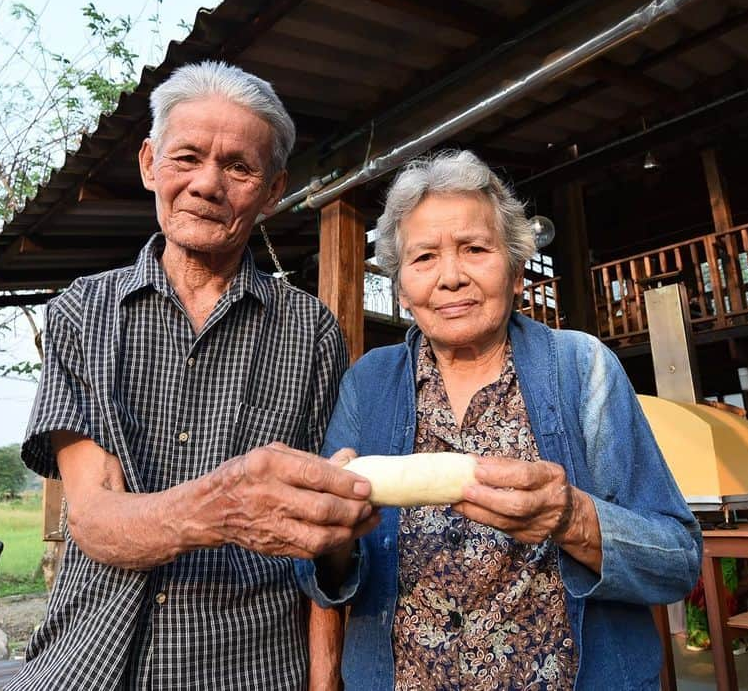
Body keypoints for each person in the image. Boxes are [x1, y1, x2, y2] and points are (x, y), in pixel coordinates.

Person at [7, 61, 378, 691]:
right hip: (89, 661)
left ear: (272, 189)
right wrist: (227, 507)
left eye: (239, 166)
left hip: (253, 667)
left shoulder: (311, 331)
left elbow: (322, 521)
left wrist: (325, 681)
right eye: (187, 157)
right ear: (150, 163)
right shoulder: (80, 314)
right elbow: (95, 521)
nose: (208, 184)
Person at [296, 150, 702, 690]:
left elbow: (677, 561)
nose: (451, 277)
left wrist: (572, 519)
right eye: (423, 259)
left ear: (514, 271)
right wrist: (334, 534)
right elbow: (329, 578)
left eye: (475, 249)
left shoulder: (582, 369)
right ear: (401, 289)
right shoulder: (368, 384)